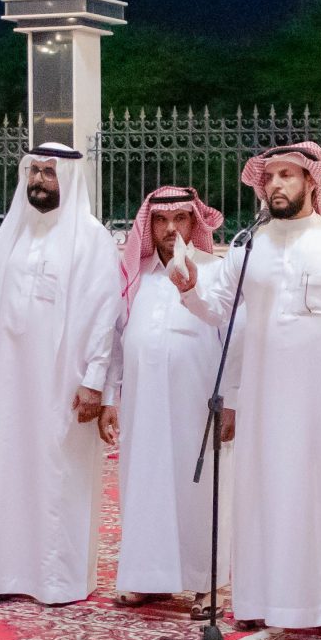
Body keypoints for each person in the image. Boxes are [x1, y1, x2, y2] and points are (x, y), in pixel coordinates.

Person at [170, 143, 321, 636]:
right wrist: (189, 288)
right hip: (264, 398)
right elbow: (216, 308)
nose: (277, 184)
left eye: (288, 174)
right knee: (262, 494)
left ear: (312, 181)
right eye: (270, 177)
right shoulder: (250, 246)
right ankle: (258, 599)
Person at [0, 144, 120, 605]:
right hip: (11, 377)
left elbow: (105, 314)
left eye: (49, 173)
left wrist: (94, 380)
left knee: (60, 474)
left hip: (64, 381)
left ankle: (58, 581)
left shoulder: (91, 238)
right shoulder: (14, 232)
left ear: (68, 179)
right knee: (8, 469)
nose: (38, 180)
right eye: (33, 171)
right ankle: (3, 574)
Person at [104, 184, 232, 607]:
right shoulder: (134, 275)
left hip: (197, 404)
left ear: (195, 223)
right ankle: (149, 578)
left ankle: (205, 584)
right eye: (160, 220)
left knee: (199, 489)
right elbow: (116, 340)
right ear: (149, 225)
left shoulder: (215, 271)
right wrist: (108, 398)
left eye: (180, 219)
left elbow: (233, 340)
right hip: (141, 405)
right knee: (144, 485)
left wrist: (232, 400)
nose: (170, 228)